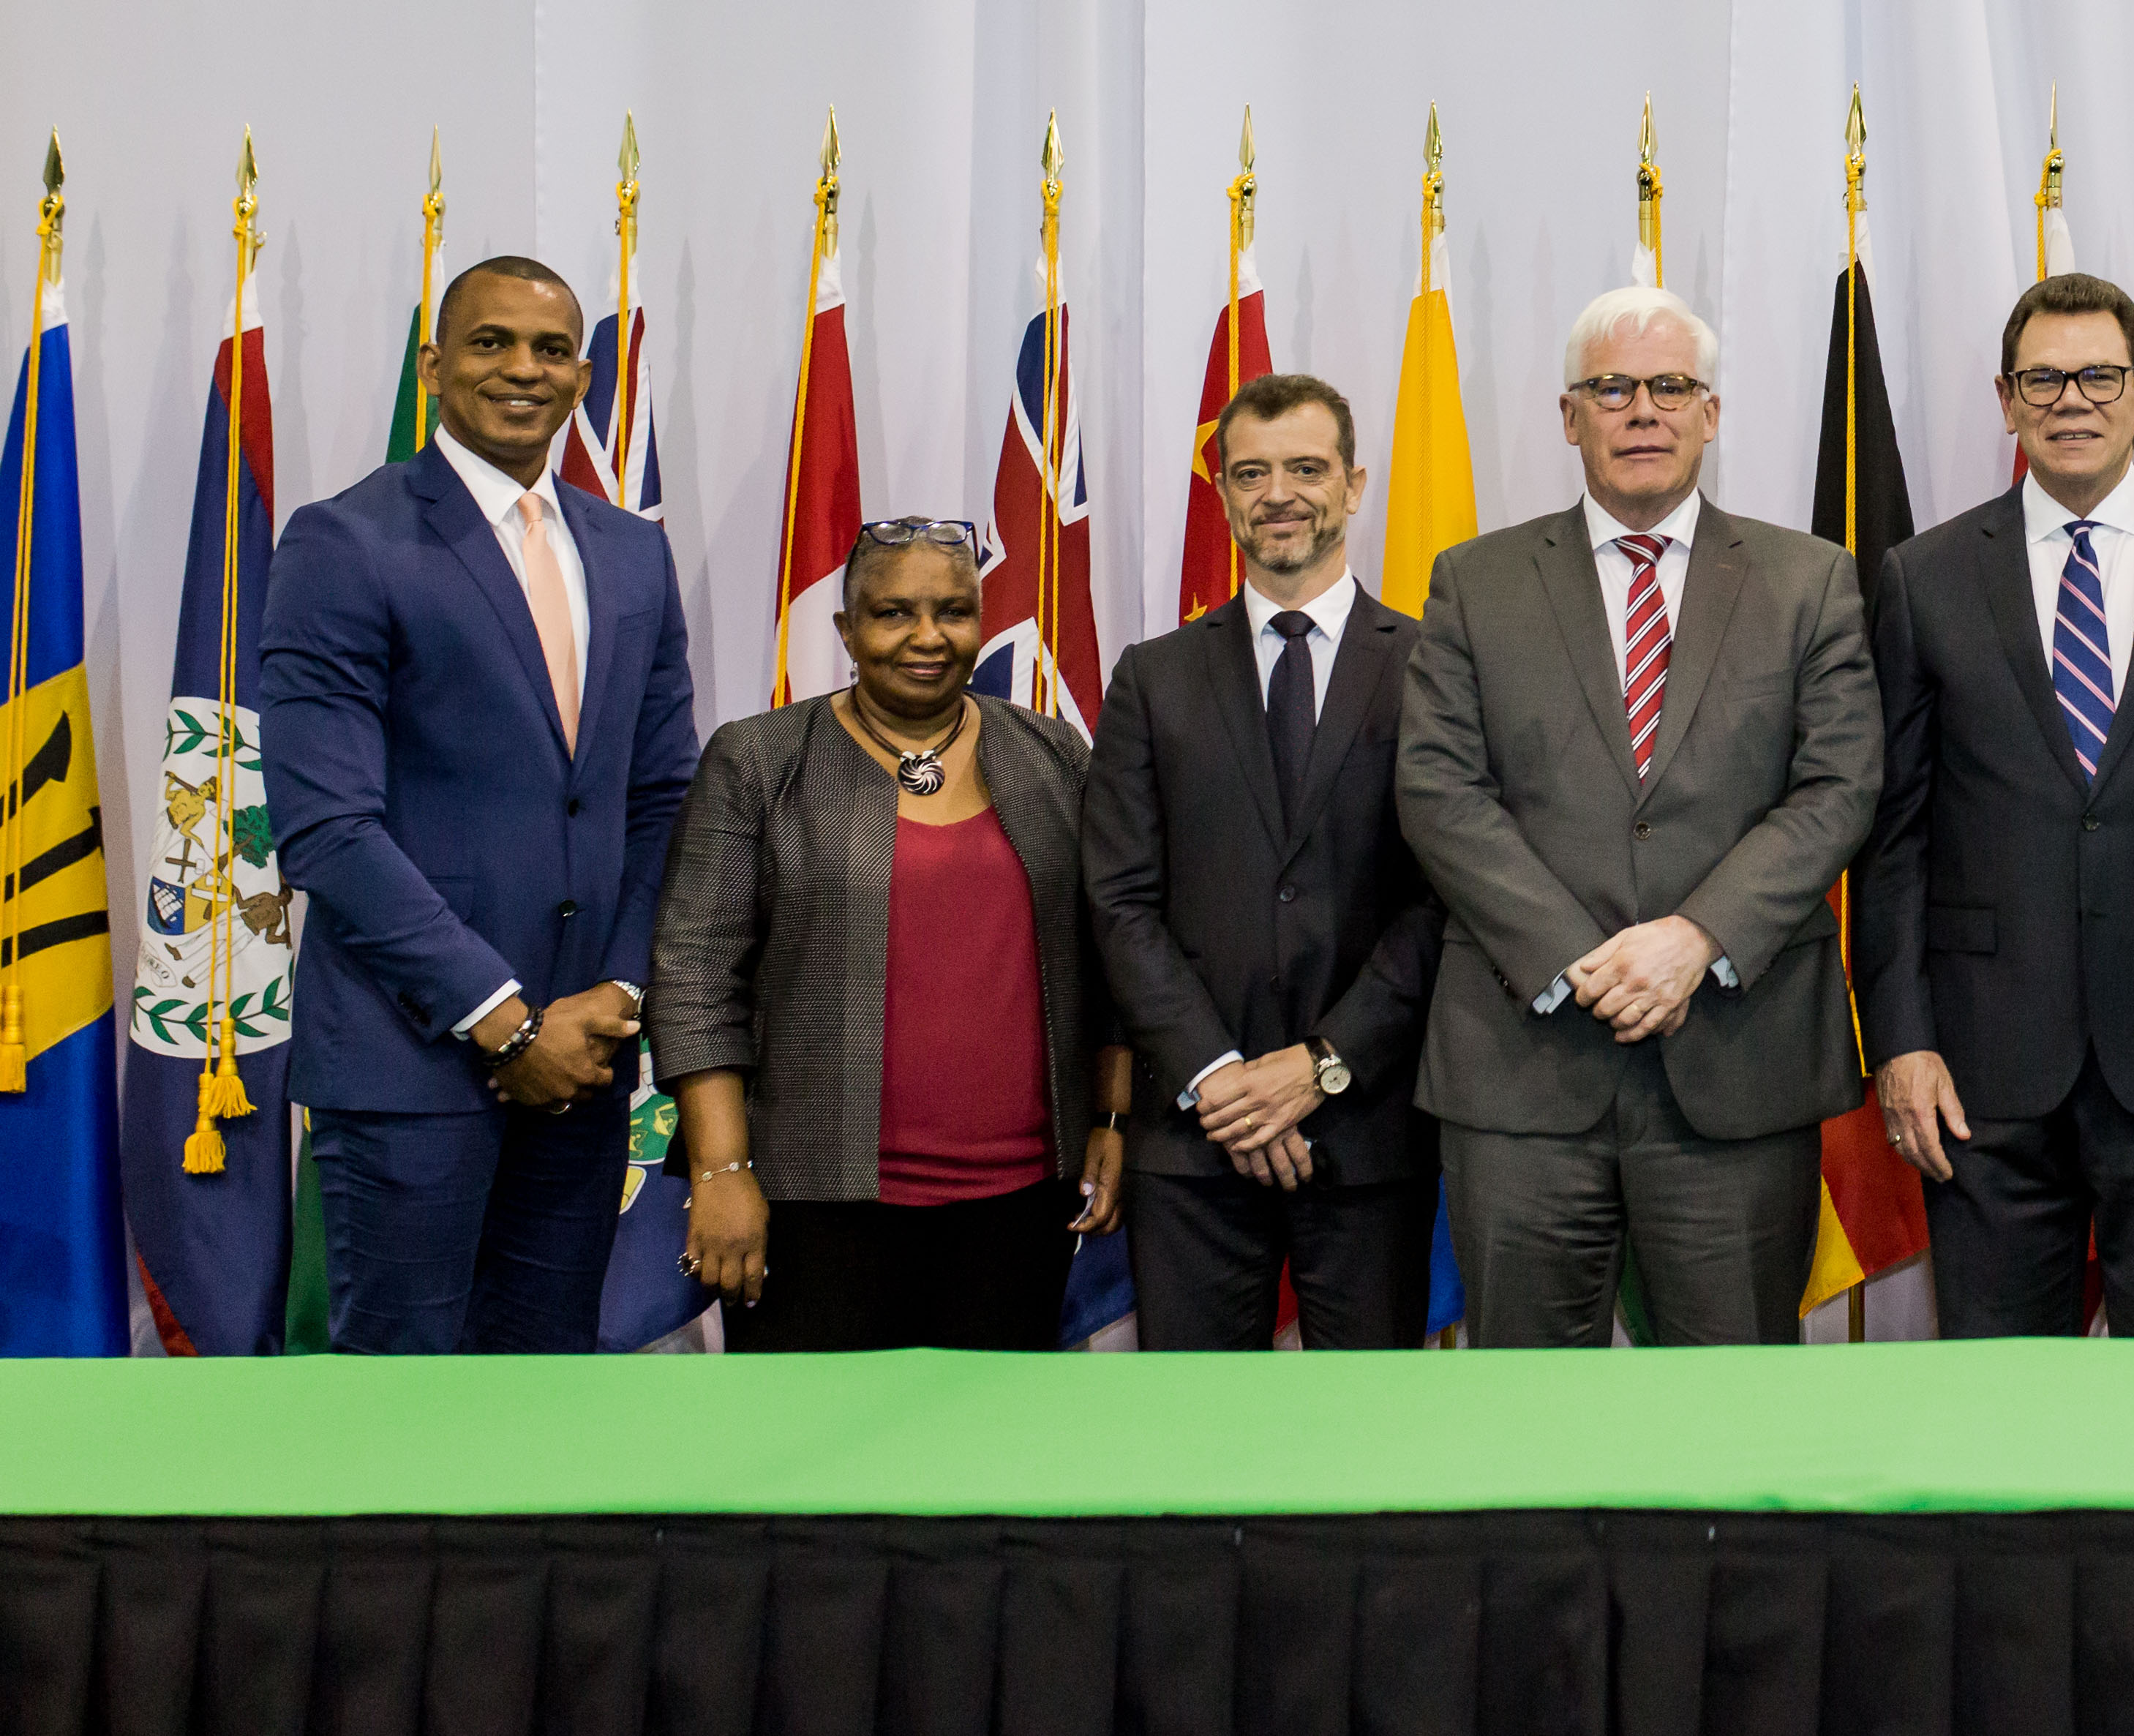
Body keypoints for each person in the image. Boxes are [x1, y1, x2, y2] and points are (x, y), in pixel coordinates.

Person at [1396, 285, 1881, 1346]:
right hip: (1525, 1073)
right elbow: (1437, 788)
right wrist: (1579, 956)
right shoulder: (1475, 582)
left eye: (1670, 386)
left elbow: (1837, 787)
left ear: (1709, 413)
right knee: (1526, 1421)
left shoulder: (1810, 582)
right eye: (1611, 387)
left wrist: (1693, 940)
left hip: (1734, 1066)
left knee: (1727, 1420)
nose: (1642, 410)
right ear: (1569, 416)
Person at [1852, 274, 2134, 1337]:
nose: (2072, 399)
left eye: (2098, 375)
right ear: (2005, 399)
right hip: (1980, 1071)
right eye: (2043, 378)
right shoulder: (1920, 580)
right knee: (2002, 1409)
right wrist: (1901, 1041)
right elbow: (1892, 839)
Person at [258, 255, 702, 1353]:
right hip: (410, 1065)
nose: (521, 369)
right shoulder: (345, 540)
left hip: (584, 1067)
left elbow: (663, 799)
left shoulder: (631, 553)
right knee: (402, 1423)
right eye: (491, 342)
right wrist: (503, 1021)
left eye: (550, 349)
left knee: (543, 1406)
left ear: (583, 375)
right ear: (435, 365)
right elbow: (326, 826)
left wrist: (614, 992)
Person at [647, 519, 1125, 1349]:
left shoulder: (1051, 751)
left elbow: (1111, 955)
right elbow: (694, 975)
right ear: (846, 629)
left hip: (1019, 1206)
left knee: (985, 1460)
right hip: (808, 1203)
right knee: (815, 1467)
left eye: (953, 611)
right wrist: (722, 1170)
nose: (928, 636)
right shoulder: (760, 760)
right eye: (894, 613)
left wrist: (1113, 1121)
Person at [1084, 375, 1446, 1350]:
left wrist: (1319, 1070)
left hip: (1369, 1131)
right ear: (1223, 493)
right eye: (1251, 472)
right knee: (1192, 1451)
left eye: (1305, 468)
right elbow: (1118, 902)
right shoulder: (1152, 677)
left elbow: (1441, 903)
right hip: (1194, 1140)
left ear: (1355, 483)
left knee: (1368, 1452)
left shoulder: (1434, 666)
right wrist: (1220, 1079)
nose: (1278, 492)